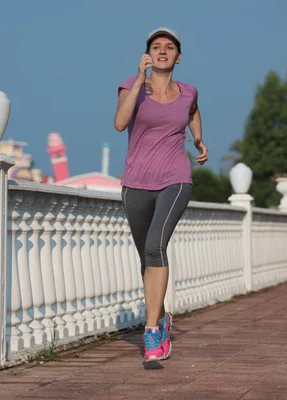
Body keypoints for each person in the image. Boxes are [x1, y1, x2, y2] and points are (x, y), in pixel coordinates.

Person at [113, 27, 208, 362]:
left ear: (178, 56)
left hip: (175, 178)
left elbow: (193, 110)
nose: (163, 51)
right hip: (136, 182)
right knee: (146, 258)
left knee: (156, 247)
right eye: (156, 46)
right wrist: (140, 81)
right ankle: (162, 316)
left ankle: (152, 332)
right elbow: (120, 123)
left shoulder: (188, 91)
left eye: (169, 47)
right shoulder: (131, 85)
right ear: (148, 55)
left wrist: (197, 139)